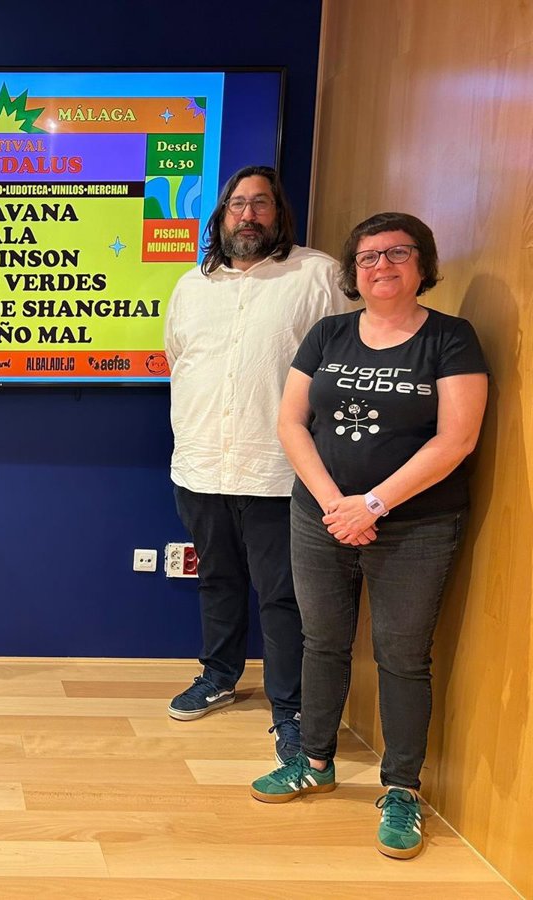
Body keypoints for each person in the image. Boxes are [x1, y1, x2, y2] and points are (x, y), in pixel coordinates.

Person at [249, 212, 488, 859]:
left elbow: (457, 438)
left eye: (397, 253)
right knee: (322, 642)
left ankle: (402, 789)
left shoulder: (451, 338)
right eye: (368, 257)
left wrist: (374, 504)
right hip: (321, 516)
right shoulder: (328, 333)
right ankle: (313, 762)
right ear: (354, 272)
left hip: (416, 526)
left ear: (423, 264)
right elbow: (291, 422)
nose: (381, 266)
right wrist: (336, 505)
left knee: (402, 656)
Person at [163, 165, 348, 763]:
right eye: (237, 204)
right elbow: (178, 358)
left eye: (260, 204)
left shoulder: (317, 276)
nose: (248, 215)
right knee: (216, 579)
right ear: (220, 216)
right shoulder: (192, 285)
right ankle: (219, 675)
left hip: (279, 469)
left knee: (283, 596)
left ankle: (289, 709)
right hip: (201, 464)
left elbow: (344, 360)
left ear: (279, 213)